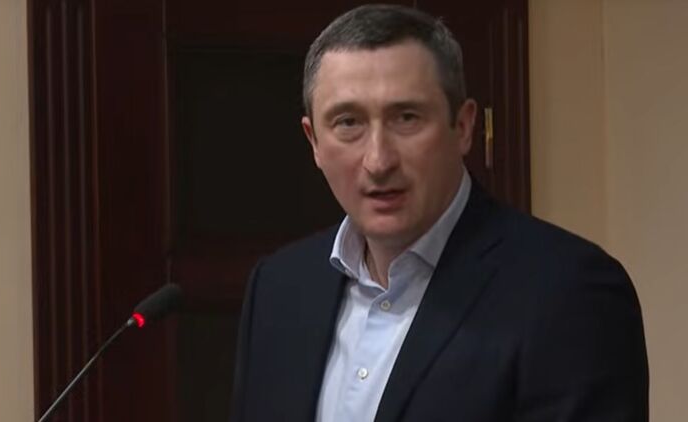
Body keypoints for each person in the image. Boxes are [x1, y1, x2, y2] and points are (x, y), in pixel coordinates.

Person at [231, 4, 648, 422]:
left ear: (463, 127)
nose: (378, 160)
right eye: (348, 123)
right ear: (314, 142)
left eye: (406, 118)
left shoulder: (570, 293)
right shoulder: (278, 288)